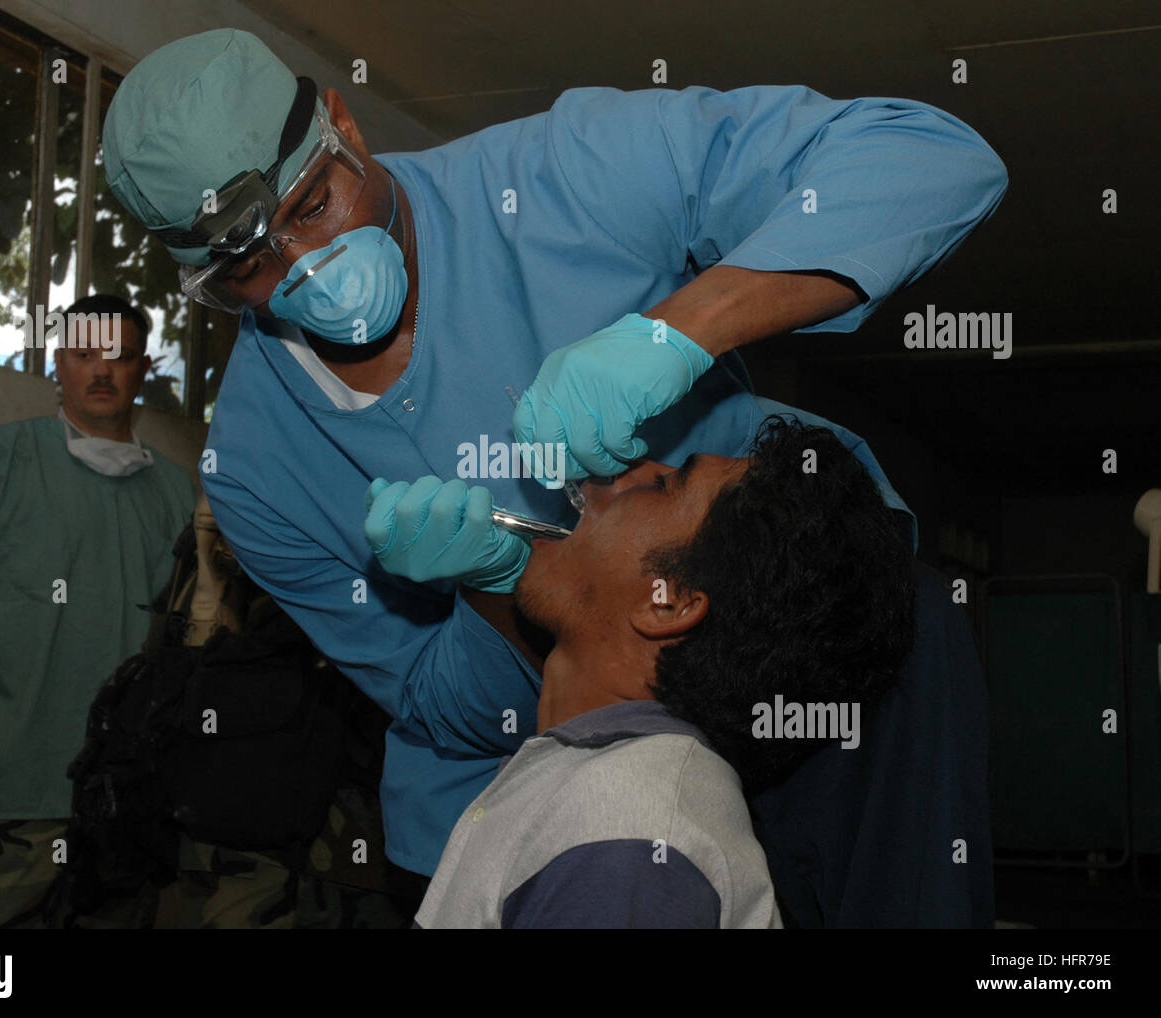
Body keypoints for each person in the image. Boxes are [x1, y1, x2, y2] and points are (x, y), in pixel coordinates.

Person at [100, 28, 1005, 918]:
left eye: (312, 206)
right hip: (527, 789)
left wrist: (680, 330)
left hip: (792, 649)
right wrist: (497, 590)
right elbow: (429, 700)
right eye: (250, 266)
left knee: (906, 648)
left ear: (345, 123)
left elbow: (929, 159)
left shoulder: (566, 174)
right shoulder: (257, 466)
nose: (309, 267)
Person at [416, 418, 917, 927]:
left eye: (662, 486)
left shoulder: (623, 836)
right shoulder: (614, 800)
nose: (613, 476)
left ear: (669, 603)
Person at [0, 294, 195, 928]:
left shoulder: (177, 493)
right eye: (83, 354)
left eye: (117, 356)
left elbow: (192, 634)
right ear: (55, 364)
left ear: (143, 369)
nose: (100, 370)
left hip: (131, 793)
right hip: (17, 783)